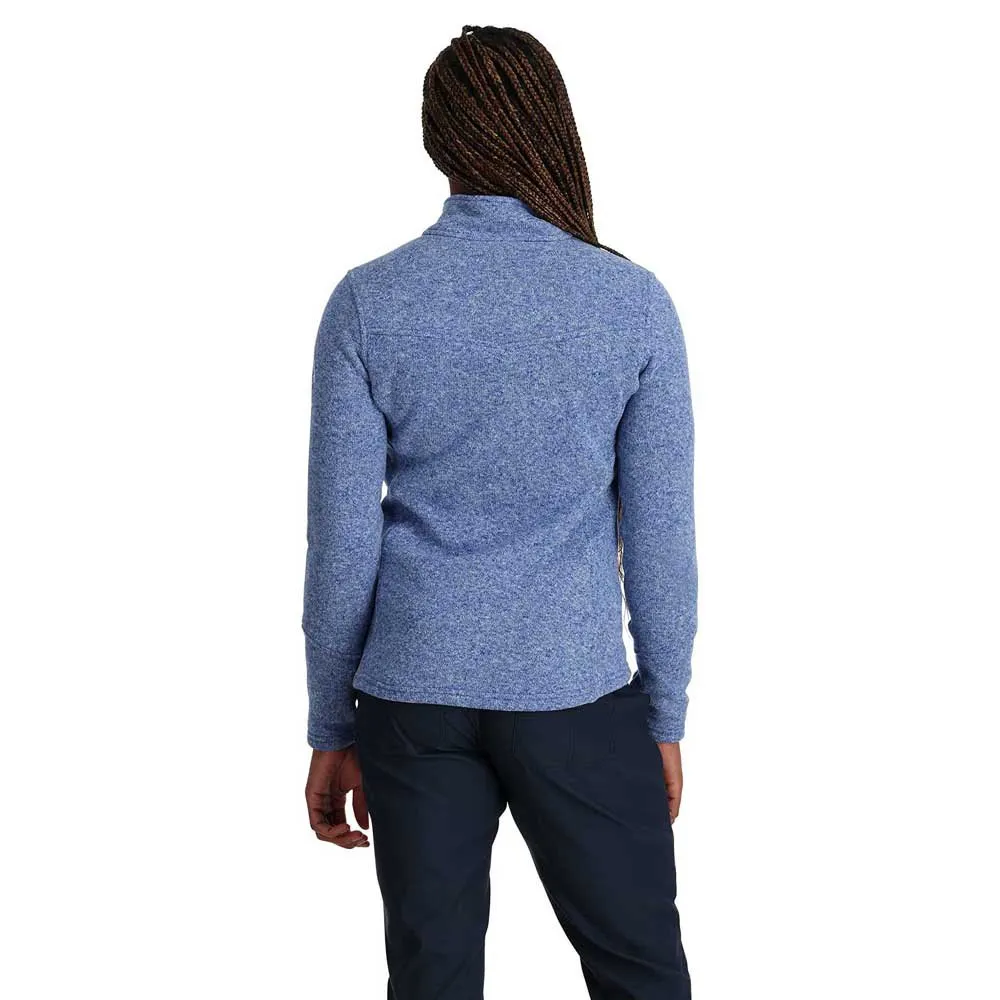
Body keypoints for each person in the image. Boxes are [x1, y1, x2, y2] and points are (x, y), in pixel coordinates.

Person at [302, 24, 697, 1000]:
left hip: (412, 697)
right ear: (552, 125)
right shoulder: (631, 302)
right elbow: (661, 539)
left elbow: (341, 545)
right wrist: (664, 713)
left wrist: (331, 723)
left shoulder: (368, 303)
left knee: (431, 980)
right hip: (575, 694)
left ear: (437, 139)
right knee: (642, 975)